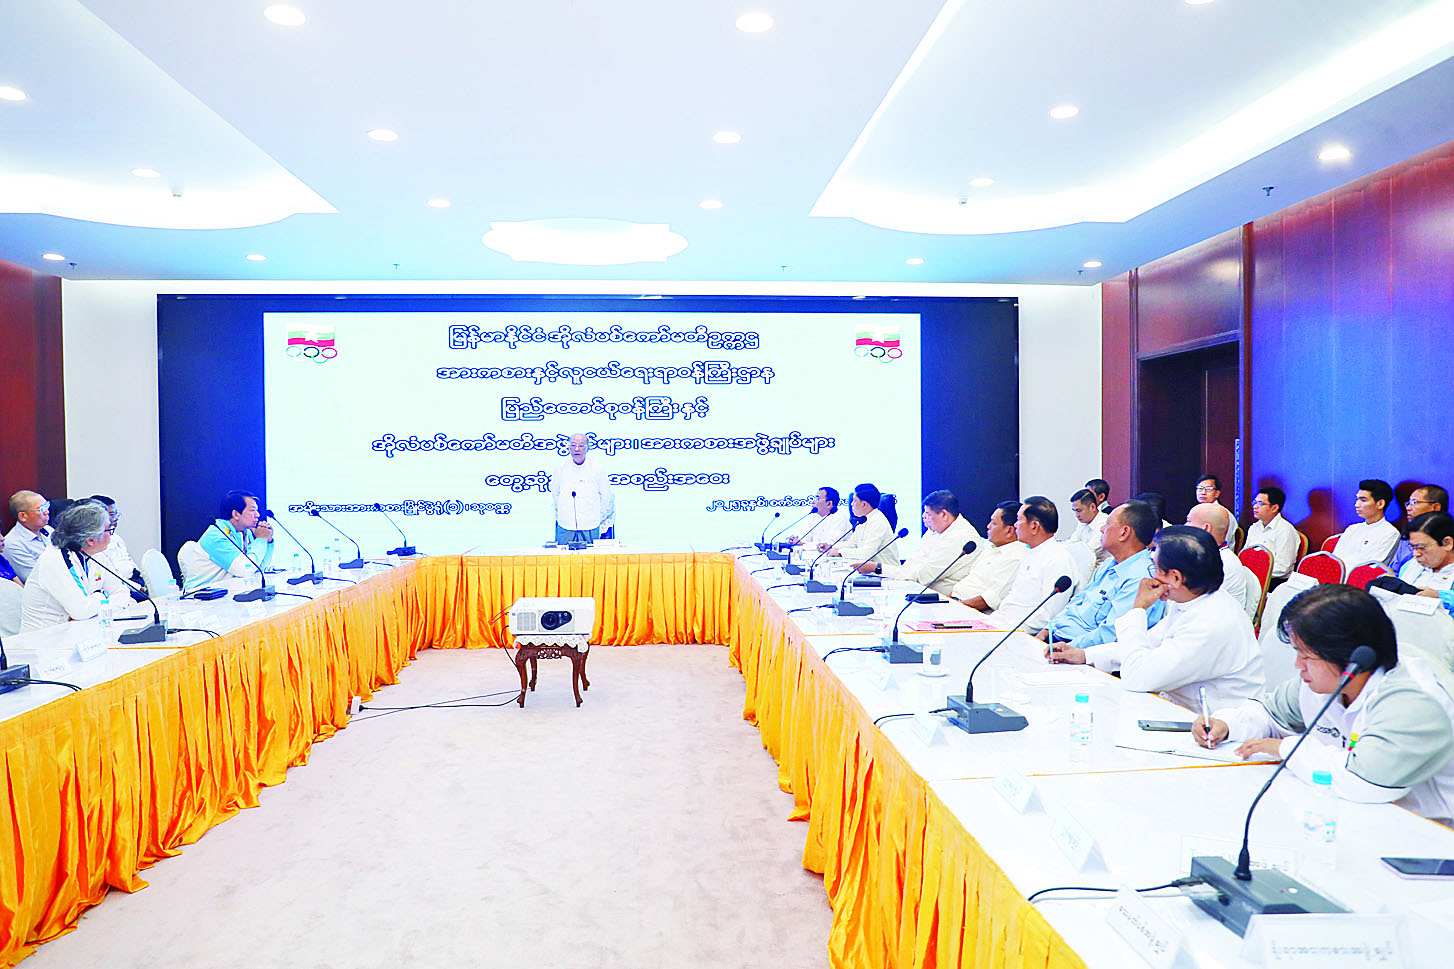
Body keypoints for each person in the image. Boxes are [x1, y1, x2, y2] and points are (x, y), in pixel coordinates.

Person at [1196, 584, 1454, 824]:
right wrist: (1227, 725)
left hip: (1431, 834)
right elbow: (1270, 712)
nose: (1298, 665)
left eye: (1306, 656)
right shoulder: (1328, 681)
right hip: (1359, 816)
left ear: (1350, 655)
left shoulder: (1415, 700)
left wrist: (1285, 747)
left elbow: (1364, 780)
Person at [1077, 526, 1262, 710]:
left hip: (1212, 721)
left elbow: (1137, 677)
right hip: (1178, 708)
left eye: (1156, 568)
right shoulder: (1190, 600)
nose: (1153, 576)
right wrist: (1085, 655)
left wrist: (1138, 609)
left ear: (1175, 578)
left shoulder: (1211, 623)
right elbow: (1148, 644)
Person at [1042, 500, 1164, 655]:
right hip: (1058, 640)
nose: (1101, 529)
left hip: (1082, 653)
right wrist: (1049, 629)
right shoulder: (1108, 565)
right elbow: (1078, 602)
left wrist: (1066, 649)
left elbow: (1111, 634)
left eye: (1107, 524)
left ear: (1124, 533)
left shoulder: (1140, 579)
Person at [18, 501, 128, 632]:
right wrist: (103, 595)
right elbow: (81, 610)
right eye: (108, 530)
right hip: (46, 637)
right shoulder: (54, 560)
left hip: (81, 630)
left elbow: (123, 593)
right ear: (91, 540)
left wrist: (98, 600)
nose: (111, 535)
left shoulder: (96, 555)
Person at [983, 496, 1078, 635]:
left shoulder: (1058, 558)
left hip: (1015, 632)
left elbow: (1048, 614)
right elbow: (1014, 598)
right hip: (1000, 624)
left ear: (1034, 526)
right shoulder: (1031, 552)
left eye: (1019, 520)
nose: (1015, 525)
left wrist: (1009, 630)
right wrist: (990, 622)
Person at [858, 490, 982, 596]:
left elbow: (923, 576)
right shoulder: (937, 530)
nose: (924, 517)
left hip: (941, 600)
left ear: (944, 514)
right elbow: (913, 563)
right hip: (919, 591)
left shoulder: (959, 537)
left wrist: (878, 568)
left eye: (928, 514)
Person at [1186, 503, 1260, 620]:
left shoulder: (1224, 564)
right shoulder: (1206, 556)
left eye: (1189, 521)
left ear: (1206, 528)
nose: (1185, 526)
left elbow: (1197, 606)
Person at [952, 501, 1027, 612]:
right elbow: (969, 582)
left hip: (972, 612)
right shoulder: (990, 548)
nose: (988, 526)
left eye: (994, 523)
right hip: (957, 603)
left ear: (1009, 531)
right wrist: (945, 600)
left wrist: (954, 606)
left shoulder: (1015, 557)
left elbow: (989, 600)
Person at [196, 491, 275, 586]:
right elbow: (244, 569)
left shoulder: (245, 532)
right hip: (202, 592)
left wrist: (267, 541)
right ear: (236, 514)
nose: (257, 515)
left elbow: (259, 568)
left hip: (230, 589)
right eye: (252, 510)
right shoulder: (216, 535)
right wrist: (261, 540)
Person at [550, 433, 614, 544]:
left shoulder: (597, 467)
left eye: (581, 445)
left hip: (591, 523)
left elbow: (605, 495)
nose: (577, 449)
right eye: (573, 445)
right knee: (563, 554)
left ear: (588, 448)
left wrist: (597, 515)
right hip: (566, 523)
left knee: (591, 554)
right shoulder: (560, 468)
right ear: (568, 447)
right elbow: (555, 493)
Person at [825, 483, 900, 572]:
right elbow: (852, 544)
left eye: (854, 501)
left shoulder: (878, 522)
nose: (851, 504)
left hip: (886, 575)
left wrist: (840, 552)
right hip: (869, 573)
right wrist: (831, 546)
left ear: (864, 504)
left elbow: (866, 554)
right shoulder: (863, 519)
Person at [1331, 478, 1399, 567]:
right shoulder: (1352, 529)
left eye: (1363, 500)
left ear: (1380, 504)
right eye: (1357, 499)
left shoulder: (1390, 533)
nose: (1357, 505)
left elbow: (1372, 567)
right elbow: (1335, 561)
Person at [1244, 485, 1300, 580]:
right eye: (1255, 502)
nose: (1255, 506)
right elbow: (1245, 556)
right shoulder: (1254, 528)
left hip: (1273, 580)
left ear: (1274, 508)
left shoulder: (1285, 530)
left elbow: (1282, 567)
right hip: (1251, 577)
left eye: (1260, 503)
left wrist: (1255, 573)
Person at [1391, 484, 1448, 573]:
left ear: (1435, 507)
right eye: (1408, 503)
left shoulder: (1447, 537)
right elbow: (1395, 570)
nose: (1408, 508)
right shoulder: (1408, 534)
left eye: (1414, 503)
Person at [88, 494, 143, 589]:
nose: (116, 518)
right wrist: (140, 589)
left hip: (135, 580)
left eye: (116, 514)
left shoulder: (116, 538)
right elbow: (112, 577)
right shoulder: (96, 544)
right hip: (124, 586)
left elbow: (129, 562)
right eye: (112, 515)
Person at [1398, 511, 1454, 596]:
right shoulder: (1410, 565)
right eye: (1413, 547)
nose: (1415, 554)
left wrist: (1439, 596)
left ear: (1447, 543)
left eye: (1422, 547)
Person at [4, 490, 52, 583]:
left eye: (47, 506)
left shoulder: (49, 530)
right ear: (23, 516)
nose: (47, 512)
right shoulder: (13, 544)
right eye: (41, 509)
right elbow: (37, 579)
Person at [784, 487, 850, 547]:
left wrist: (804, 544)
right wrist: (795, 541)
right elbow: (804, 538)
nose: (813, 502)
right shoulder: (815, 516)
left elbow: (830, 544)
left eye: (817, 499)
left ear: (829, 503)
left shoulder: (840, 518)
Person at [1063, 488, 1110, 568]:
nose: (1076, 515)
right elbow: (1072, 543)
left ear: (1092, 507)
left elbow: (1088, 552)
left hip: (1103, 569)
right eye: (1074, 511)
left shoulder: (1104, 523)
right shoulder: (1083, 523)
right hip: (1087, 567)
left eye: (1079, 510)